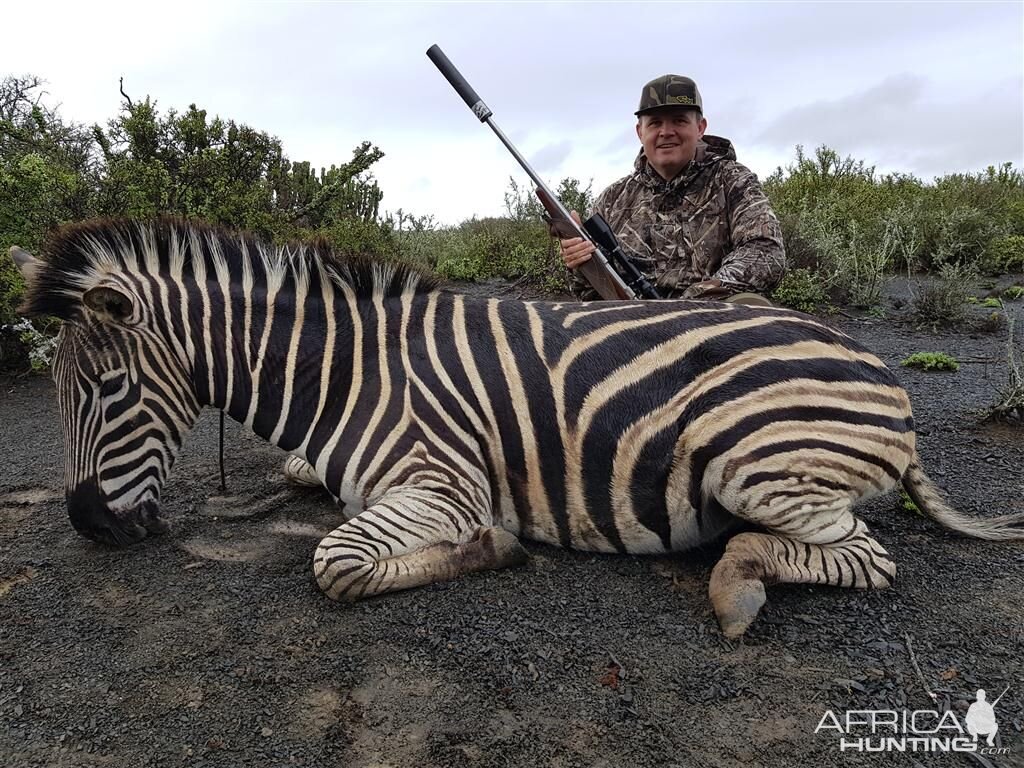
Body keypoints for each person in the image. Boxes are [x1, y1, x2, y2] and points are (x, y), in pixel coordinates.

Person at [558, 75, 786, 304]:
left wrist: (691, 302)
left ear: (700, 128)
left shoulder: (734, 181)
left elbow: (767, 253)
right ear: (640, 132)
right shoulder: (611, 200)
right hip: (635, 328)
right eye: (655, 123)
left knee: (752, 304)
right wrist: (580, 264)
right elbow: (589, 296)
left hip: (712, 323)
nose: (666, 132)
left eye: (679, 121)